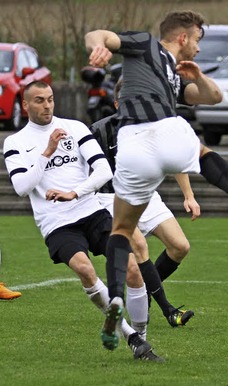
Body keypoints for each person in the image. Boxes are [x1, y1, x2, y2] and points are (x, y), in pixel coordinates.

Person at [84, 10, 228, 350]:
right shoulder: (147, 44)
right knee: (203, 152)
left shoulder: (176, 75)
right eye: (197, 40)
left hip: (133, 146)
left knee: (121, 231)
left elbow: (212, 96)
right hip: (164, 130)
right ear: (182, 37)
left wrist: (198, 77)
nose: (197, 48)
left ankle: (117, 298)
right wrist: (99, 47)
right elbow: (99, 33)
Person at [3, 81, 162, 361]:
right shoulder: (15, 142)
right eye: (39, 100)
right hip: (56, 222)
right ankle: (131, 336)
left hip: (91, 211)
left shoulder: (75, 127)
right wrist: (46, 153)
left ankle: (142, 340)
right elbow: (21, 186)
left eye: (50, 99)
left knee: (132, 269)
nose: (47, 105)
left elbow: (103, 170)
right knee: (85, 269)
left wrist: (74, 192)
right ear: (26, 105)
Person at [91, 78, 195, 328]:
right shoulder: (98, 131)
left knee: (180, 246)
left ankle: (145, 290)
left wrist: (189, 196)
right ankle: (168, 310)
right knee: (138, 245)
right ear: (117, 104)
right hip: (110, 198)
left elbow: (177, 160)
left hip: (146, 195)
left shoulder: (154, 128)